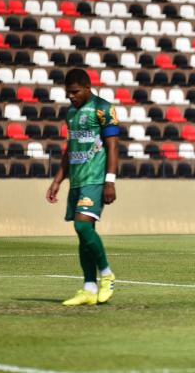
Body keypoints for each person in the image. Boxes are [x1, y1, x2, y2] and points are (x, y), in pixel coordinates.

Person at [46, 69, 119, 306]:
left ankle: (106, 275)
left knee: (82, 225)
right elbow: (70, 148)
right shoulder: (71, 113)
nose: (72, 97)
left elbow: (113, 146)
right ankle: (89, 287)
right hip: (77, 179)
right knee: (82, 234)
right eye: (68, 94)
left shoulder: (103, 109)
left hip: (95, 179)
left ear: (88, 87)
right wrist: (58, 180)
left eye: (75, 92)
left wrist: (110, 180)